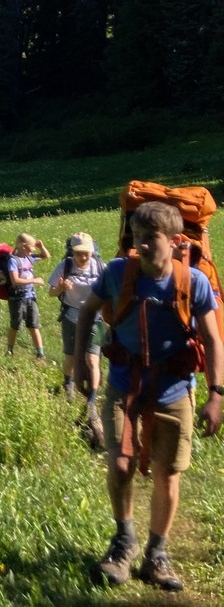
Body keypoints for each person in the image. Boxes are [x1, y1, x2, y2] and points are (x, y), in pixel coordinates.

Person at [75, 201, 223, 592]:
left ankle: (157, 554)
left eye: (150, 239)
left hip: (175, 390)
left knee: (167, 473)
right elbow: (89, 310)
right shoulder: (117, 273)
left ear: (175, 241)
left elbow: (212, 338)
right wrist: (79, 360)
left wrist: (216, 395)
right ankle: (123, 542)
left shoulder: (194, 282)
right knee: (121, 464)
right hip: (125, 384)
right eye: (137, 238)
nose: (141, 246)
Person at [48, 233, 105, 416]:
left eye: (86, 253)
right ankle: (68, 383)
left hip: (98, 319)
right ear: (72, 252)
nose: (83, 257)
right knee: (71, 357)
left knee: (92, 359)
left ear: (92, 252)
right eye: (79, 253)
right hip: (71, 316)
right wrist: (61, 288)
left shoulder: (100, 267)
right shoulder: (64, 266)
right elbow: (51, 293)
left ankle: (91, 401)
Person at [6, 233, 50, 358]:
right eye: (33, 246)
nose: (34, 249)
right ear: (24, 246)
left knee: (34, 325)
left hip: (30, 296)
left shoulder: (29, 258)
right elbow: (15, 280)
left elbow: (46, 256)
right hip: (17, 298)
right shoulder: (13, 261)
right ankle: (9, 350)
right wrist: (34, 280)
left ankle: (40, 353)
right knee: (15, 325)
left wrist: (42, 247)